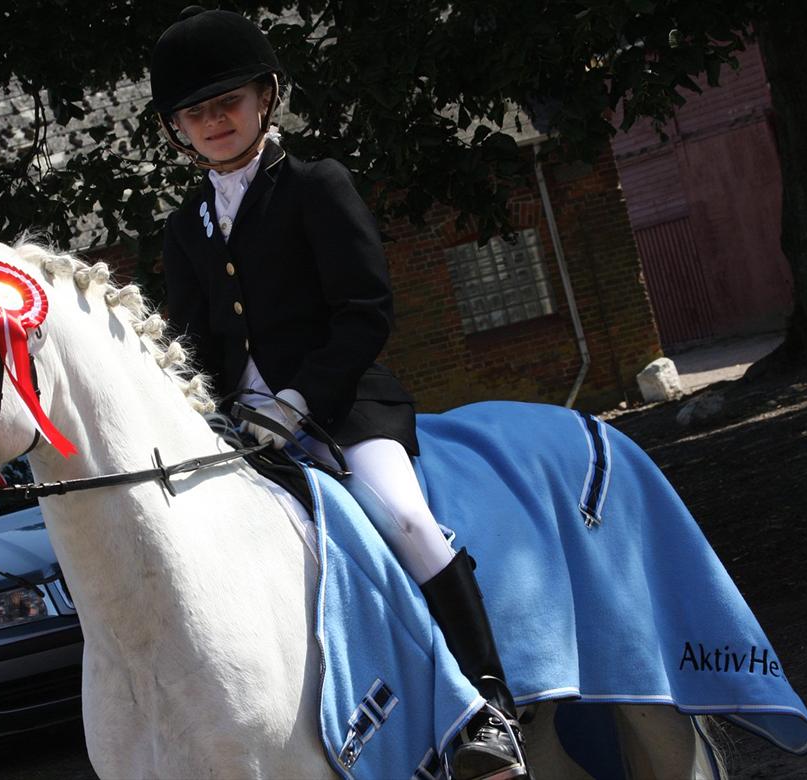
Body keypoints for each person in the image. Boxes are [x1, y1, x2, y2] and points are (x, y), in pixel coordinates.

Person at [152, 8, 530, 779]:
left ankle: (490, 706)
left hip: (343, 403)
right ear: (177, 129)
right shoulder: (183, 226)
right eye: (197, 112)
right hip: (239, 430)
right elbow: (189, 347)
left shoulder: (316, 186)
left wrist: (298, 398)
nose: (215, 121)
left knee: (402, 517)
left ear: (266, 99)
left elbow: (366, 310)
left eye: (228, 103)